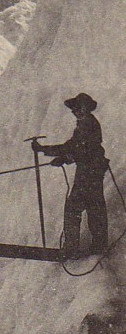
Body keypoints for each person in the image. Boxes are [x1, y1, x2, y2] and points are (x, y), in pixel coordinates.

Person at [32, 93, 109, 258]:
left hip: (90, 172)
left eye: (78, 108)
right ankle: (97, 245)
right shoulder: (83, 125)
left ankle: (73, 248)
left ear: (86, 109)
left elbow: (80, 149)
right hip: (89, 171)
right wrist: (48, 151)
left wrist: (61, 157)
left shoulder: (88, 124)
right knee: (94, 207)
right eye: (74, 109)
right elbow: (72, 147)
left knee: (77, 207)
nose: (75, 112)